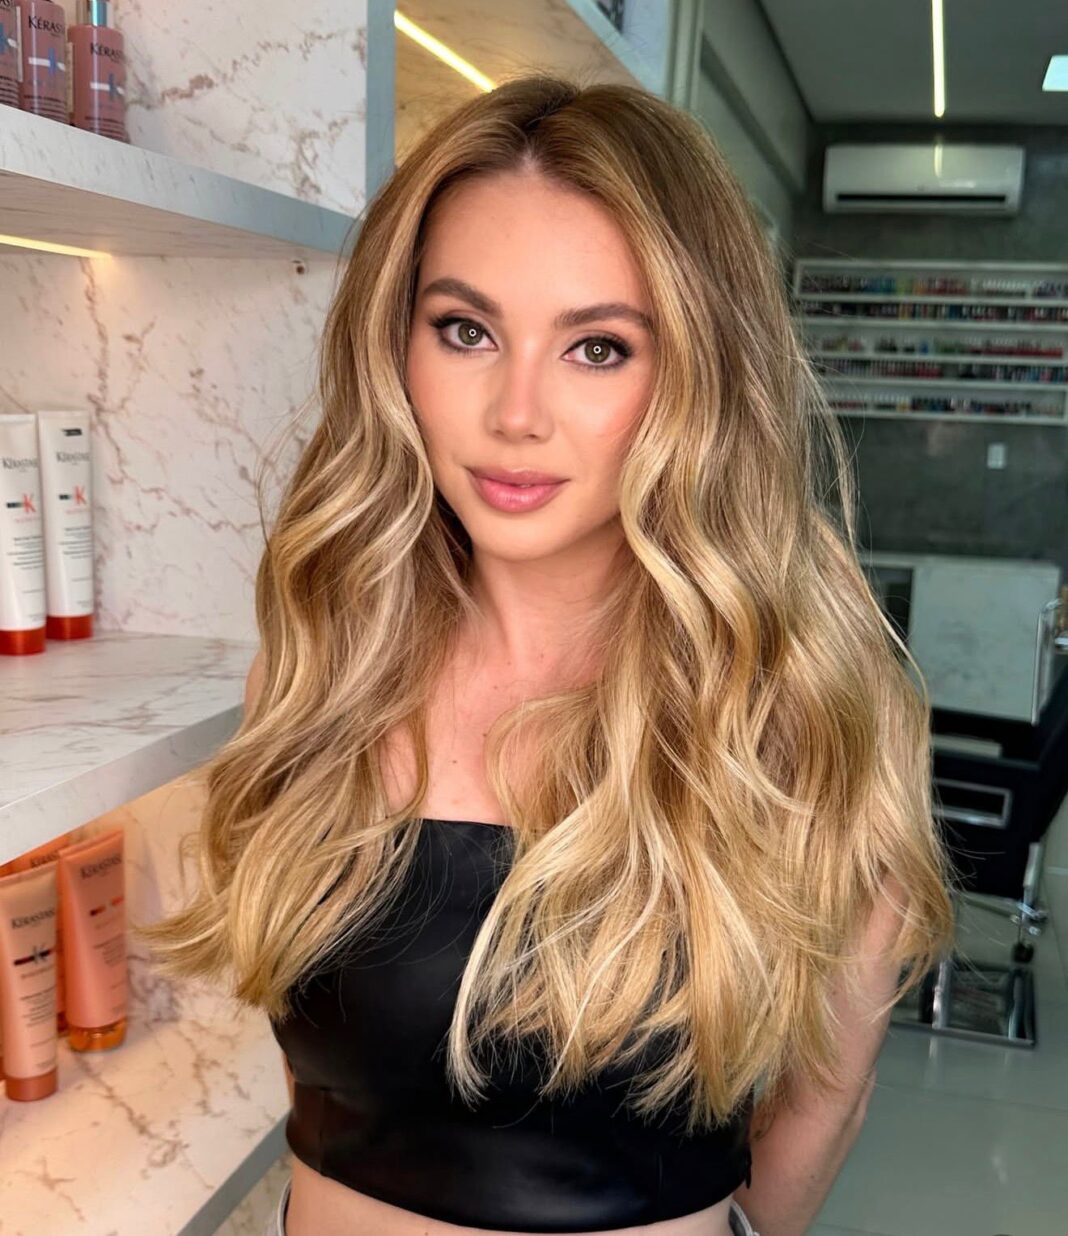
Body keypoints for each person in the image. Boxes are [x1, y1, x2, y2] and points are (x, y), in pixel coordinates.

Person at [138, 73, 958, 1236]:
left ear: (699, 372)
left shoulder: (799, 712)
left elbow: (824, 1097)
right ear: (396, 344)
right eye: (465, 330)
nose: (515, 412)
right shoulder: (322, 669)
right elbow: (327, 1074)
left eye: (599, 348)